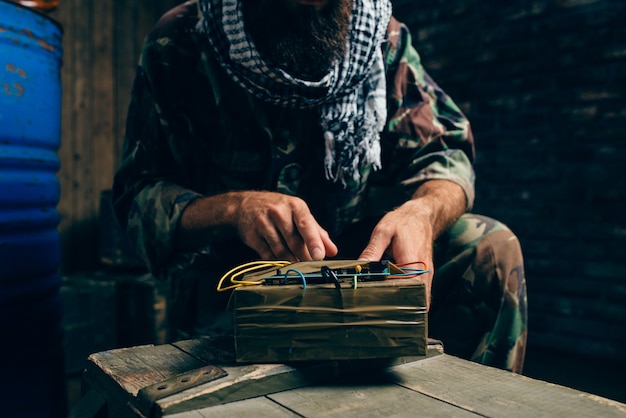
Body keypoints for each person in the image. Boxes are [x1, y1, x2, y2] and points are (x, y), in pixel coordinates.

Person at [112, 0, 528, 372]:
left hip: (357, 270)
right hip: (238, 282)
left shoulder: (382, 38)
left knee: (489, 247)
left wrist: (422, 213)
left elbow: (446, 151)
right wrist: (232, 209)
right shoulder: (181, 41)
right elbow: (137, 194)